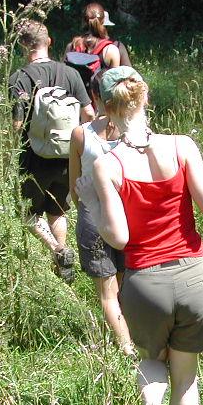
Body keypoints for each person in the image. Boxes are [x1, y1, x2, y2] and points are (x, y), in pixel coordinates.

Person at [77, 66, 203, 405]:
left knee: (153, 360)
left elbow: (118, 237)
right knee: (185, 378)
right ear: (145, 99)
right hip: (194, 277)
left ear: (106, 111)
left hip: (145, 283)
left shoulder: (107, 164)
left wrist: (91, 204)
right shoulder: (181, 146)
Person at [8, 21, 95, 282]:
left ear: (23, 46)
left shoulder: (19, 78)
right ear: (50, 42)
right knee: (57, 210)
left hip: (34, 158)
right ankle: (61, 262)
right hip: (68, 157)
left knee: (28, 211)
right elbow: (89, 113)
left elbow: (17, 125)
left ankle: (57, 250)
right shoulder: (71, 74)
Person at [68, 69, 136, 357]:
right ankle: (137, 343)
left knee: (107, 293)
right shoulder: (135, 136)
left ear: (95, 98)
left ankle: (126, 350)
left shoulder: (81, 134)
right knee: (125, 287)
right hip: (127, 216)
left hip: (92, 218)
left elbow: (74, 190)